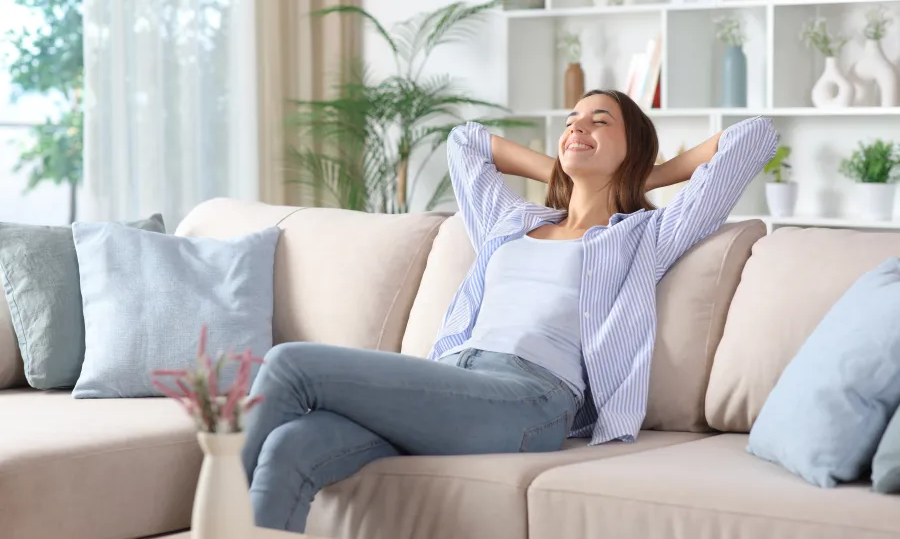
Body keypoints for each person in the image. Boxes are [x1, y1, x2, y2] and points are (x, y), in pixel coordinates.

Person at [241, 89, 779, 533]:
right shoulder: (511, 221)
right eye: (570, 122)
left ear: (632, 148)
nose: (576, 128)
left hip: (531, 400)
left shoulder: (642, 236)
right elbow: (465, 142)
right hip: (453, 378)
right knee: (296, 443)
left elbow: (753, 137)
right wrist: (562, 170)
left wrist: (645, 177)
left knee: (290, 365)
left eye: (599, 121)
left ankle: (216, 518)